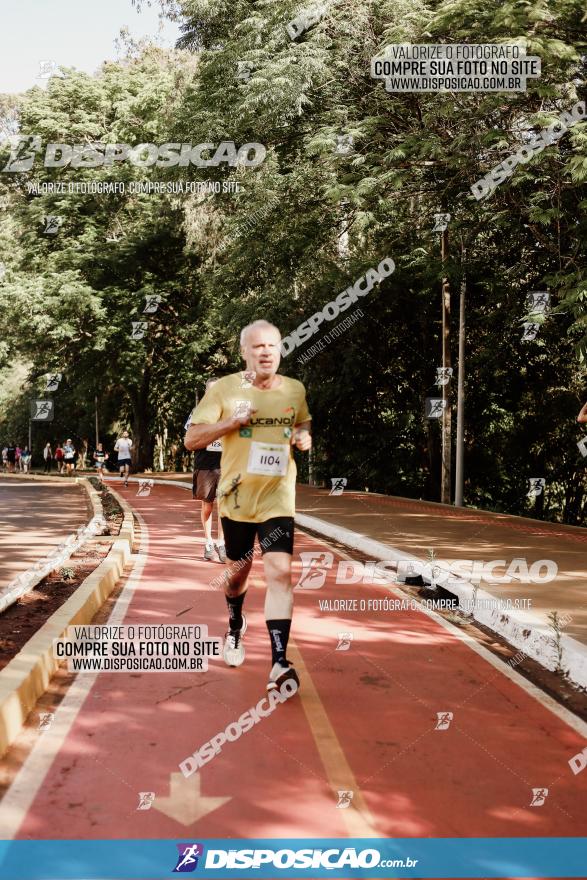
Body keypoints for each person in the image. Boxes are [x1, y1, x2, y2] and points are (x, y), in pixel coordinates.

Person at [185, 320, 312, 693]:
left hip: (278, 500)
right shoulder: (224, 389)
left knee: (279, 575)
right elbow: (193, 438)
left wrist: (303, 436)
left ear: (281, 349)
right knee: (237, 576)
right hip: (236, 501)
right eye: (257, 346)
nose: (266, 351)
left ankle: (278, 663)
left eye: (272, 345)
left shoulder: (294, 388)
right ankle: (235, 623)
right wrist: (230, 422)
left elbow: (302, 422)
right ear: (244, 353)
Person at [188, 379, 226, 563]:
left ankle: (222, 543)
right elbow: (190, 439)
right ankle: (208, 541)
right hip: (205, 464)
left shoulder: (229, 412)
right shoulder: (197, 413)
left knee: (226, 505)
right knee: (208, 504)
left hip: (228, 464)